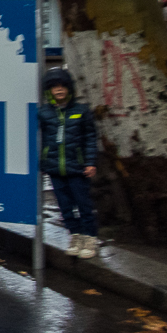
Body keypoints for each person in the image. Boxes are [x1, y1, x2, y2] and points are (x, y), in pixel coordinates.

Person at [39, 67, 100, 259]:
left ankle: (89, 238)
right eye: (54, 87)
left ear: (69, 89)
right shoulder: (44, 113)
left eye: (62, 86)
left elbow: (90, 137)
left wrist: (90, 162)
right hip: (55, 168)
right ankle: (75, 236)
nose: (59, 89)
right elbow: (39, 139)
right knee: (64, 206)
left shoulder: (81, 111)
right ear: (49, 91)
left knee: (83, 204)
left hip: (77, 167)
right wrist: (43, 162)